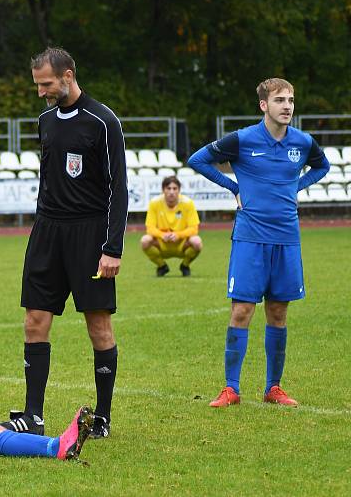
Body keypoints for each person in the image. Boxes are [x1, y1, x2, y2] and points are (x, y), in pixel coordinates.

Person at [2, 47, 128, 439]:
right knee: (35, 321)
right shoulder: (45, 121)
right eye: (38, 84)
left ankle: (102, 417)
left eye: (47, 84)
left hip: (89, 236)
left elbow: (118, 189)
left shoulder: (103, 121)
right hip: (47, 232)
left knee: (98, 327)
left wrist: (112, 247)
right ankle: (34, 415)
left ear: (68, 75)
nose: (41, 91)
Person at [188, 78, 330, 408]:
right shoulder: (243, 139)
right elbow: (197, 159)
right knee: (241, 311)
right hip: (250, 238)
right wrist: (232, 187)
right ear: (264, 105)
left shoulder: (302, 142)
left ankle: (273, 388)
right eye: (280, 100)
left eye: (291, 100)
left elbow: (322, 166)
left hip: (287, 239)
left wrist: (299, 185)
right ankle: (231, 388)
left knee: (278, 312)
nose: (288, 106)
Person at [140, 175, 203, 277]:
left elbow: (194, 228)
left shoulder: (188, 203)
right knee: (145, 240)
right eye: (168, 188)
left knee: (197, 241)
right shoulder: (154, 203)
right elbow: (150, 228)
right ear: (163, 190)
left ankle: (185, 265)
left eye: (175, 188)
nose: (171, 192)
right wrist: (162, 235)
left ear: (179, 190)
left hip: (182, 244)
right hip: (162, 243)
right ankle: (162, 266)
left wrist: (178, 235)